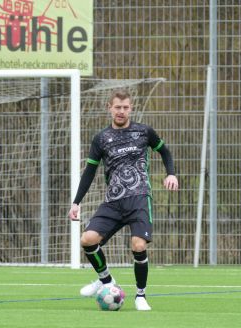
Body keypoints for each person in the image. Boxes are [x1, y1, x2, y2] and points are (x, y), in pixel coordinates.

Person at [68, 88, 178, 311]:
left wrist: (171, 173)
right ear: (109, 108)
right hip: (113, 201)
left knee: (138, 244)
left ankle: (140, 296)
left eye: (125, 107)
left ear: (131, 108)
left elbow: (165, 151)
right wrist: (76, 202)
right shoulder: (101, 138)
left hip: (139, 198)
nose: (121, 111)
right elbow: (89, 172)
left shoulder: (144, 132)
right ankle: (106, 280)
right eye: (117, 107)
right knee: (87, 239)